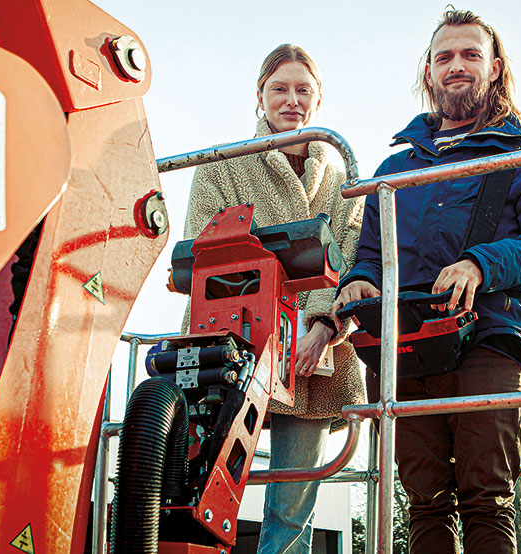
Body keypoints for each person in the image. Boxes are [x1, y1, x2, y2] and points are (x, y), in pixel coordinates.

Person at [331, 9, 521, 554]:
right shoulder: (394, 170)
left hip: (492, 335)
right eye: (444, 57)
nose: (456, 66)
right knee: (424, 501)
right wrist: (360, 282)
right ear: (428, 74)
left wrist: (480, 264)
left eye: (469, 54)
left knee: (486, 496)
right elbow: (371, 252)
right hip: (409, 343)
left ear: (495, 67)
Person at [182, 44, 365, 553]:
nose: (291, 101)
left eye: (303, 90)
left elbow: (353, 258)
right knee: (207, 484)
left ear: (319, 99)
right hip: (232, 338)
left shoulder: (345, 173)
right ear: (259, 96)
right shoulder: (223, 165)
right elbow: (201, 247)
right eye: (279, 88)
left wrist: (323, 326)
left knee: (291, 505)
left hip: (315, 351)